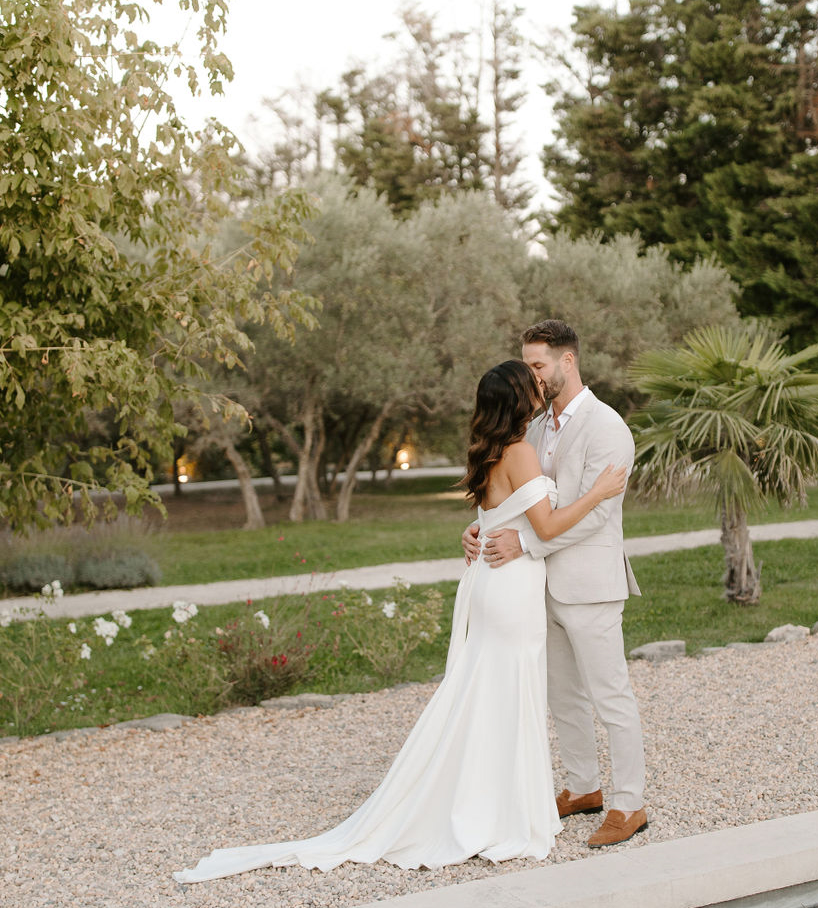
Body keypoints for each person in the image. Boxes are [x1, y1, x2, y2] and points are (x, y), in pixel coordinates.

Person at [174, 360, 625, 881]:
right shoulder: (520, 452)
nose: (540, 387)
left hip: (492, 585)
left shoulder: (491, 452)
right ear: (519, 400)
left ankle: (492, 802)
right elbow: (543, 526)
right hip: (509, 588)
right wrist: (598, 493)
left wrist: (477, 532)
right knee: (505, 692)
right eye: (533, 385)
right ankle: (501, 812)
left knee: (489, 692)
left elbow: (496, 517)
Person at [462, 319, 648, 848]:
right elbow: (522, 500)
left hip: (589, 583)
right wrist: (483, 527)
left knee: (610, 695)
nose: (533, 377)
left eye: (539, 366)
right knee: (562, 695)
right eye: (528, 368)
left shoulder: (608, 427)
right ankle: (584, 787)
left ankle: (629, 803)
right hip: (536, 586)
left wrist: (526, 544)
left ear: (568, 361)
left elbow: (592, 514)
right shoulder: (535, 426)